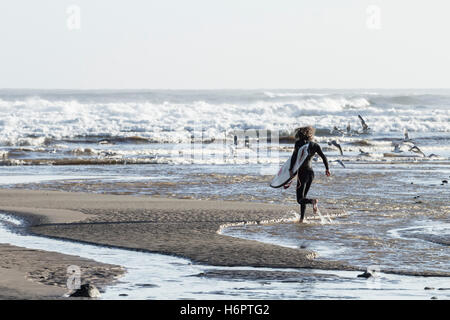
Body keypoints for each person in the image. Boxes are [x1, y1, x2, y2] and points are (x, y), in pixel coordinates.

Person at [289, 126, 330, 222]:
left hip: (302, 173)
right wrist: (327, 169)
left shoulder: (298, 144)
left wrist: (291, 170)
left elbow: (294, 157)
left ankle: (312, 201)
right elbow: (324, 157)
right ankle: (302, 219)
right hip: (311, 173)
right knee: (303, 197)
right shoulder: (315, 145)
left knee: (299, 200)